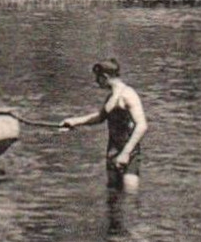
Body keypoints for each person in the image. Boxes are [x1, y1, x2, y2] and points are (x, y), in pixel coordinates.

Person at [60, 58, 147, 191]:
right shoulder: (111, 97)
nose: (96, 82)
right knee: (112, 195)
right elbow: (101, 117)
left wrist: (125, 153)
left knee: (130, 197)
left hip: (129, 151)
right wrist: (74, 121)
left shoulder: (128, 95)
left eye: (98, 78)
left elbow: (142, 126)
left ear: (105, 77)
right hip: (113, 150)